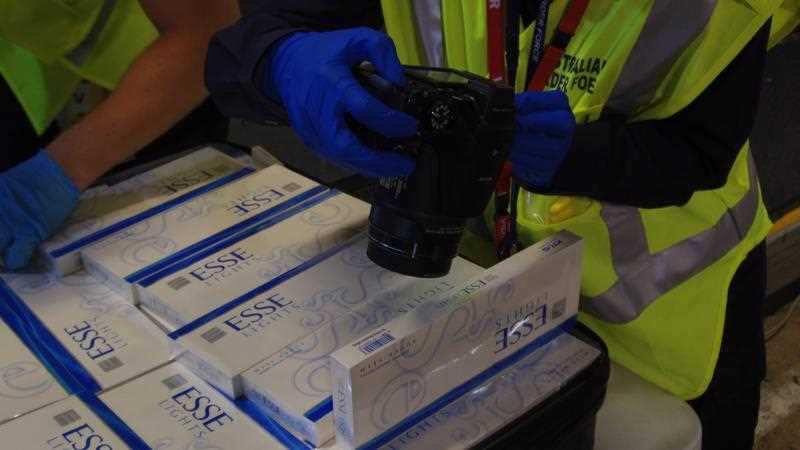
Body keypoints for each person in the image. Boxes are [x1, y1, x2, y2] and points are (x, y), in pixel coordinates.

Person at [204, 1, 799, 449]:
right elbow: (229, 55)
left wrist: (589, 156)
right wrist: (278, 62)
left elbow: (702, 148)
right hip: (481, 289)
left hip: (667, 308)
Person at [0, 0, 239, 269]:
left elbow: (206, 33)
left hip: (160, 71)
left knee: (188, 240)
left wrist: (54, 175)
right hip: (22, 64)